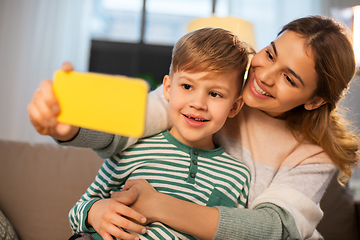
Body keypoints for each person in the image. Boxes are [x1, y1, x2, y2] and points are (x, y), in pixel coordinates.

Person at [28, 15, 359, 240]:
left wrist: (158, 205)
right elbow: (129, 125)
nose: (265, 75)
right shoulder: (206, 92)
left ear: (314, 100)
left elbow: (274, 228)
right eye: (270, 54)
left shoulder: (313, 156)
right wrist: (65, 129)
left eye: (289, 77)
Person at [66, 27, 251, 240]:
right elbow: (78, 212)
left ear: (234, 107)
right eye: (187, 86)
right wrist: (94, 212)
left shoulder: (237, 176)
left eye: (215, 93)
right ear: (168, 88)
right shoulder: (134, 148)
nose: (198, 104)